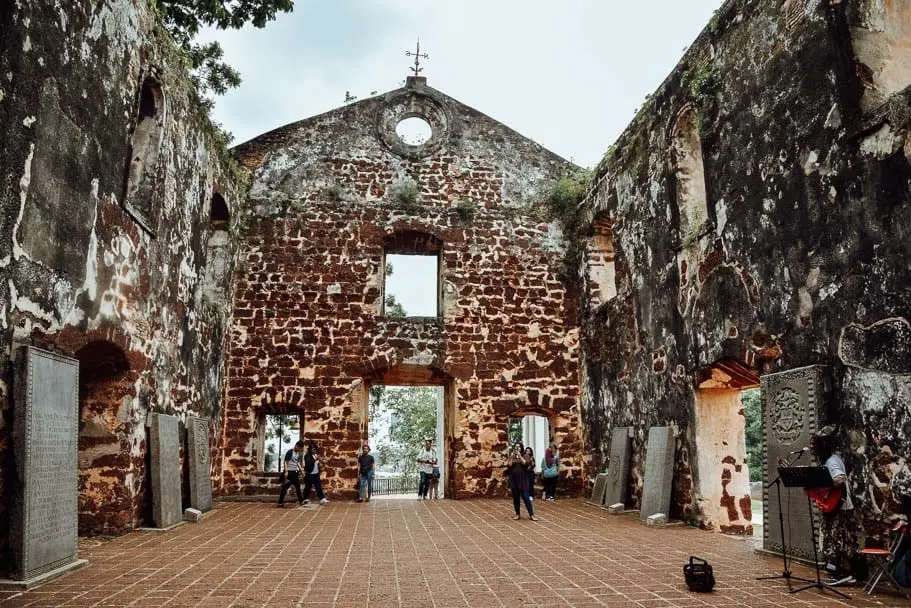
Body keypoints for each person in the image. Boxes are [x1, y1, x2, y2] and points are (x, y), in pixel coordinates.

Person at [809, 425, 858, 586]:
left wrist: (822, 485)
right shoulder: (829, 461)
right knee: (835, 539)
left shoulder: (832, 461)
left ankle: (843, 573)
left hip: (840, 508)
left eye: (815, 447)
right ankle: (839, 572)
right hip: (836, 507)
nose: (813, 450)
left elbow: (840, 479)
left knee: (839, 540)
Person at [507, 443, 536, 521]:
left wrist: (520, 456)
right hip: (514, 480)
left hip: (523, 480)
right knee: (516, 498)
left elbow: (526, 464)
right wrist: (513, 458)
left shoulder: (525, 456)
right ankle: (517, 514)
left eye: (518, 447)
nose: (517, 448)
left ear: (521, 448)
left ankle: (531, 514)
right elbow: (509, 465)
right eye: (516, 447)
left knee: (526, 497)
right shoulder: (512, 456)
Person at [277, 440, 305, 507]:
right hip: (289, 472)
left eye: (301, 449)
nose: (299, 449)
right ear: (296, 445)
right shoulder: (290, 452)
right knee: (285, 487)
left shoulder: (297, 453)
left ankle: (301, 501)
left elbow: (297, 462)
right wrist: (286, 471)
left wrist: (301, 470)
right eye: (299, 448)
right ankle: (280, 502)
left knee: (297, 486)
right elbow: (286, 462)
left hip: (294, 472)